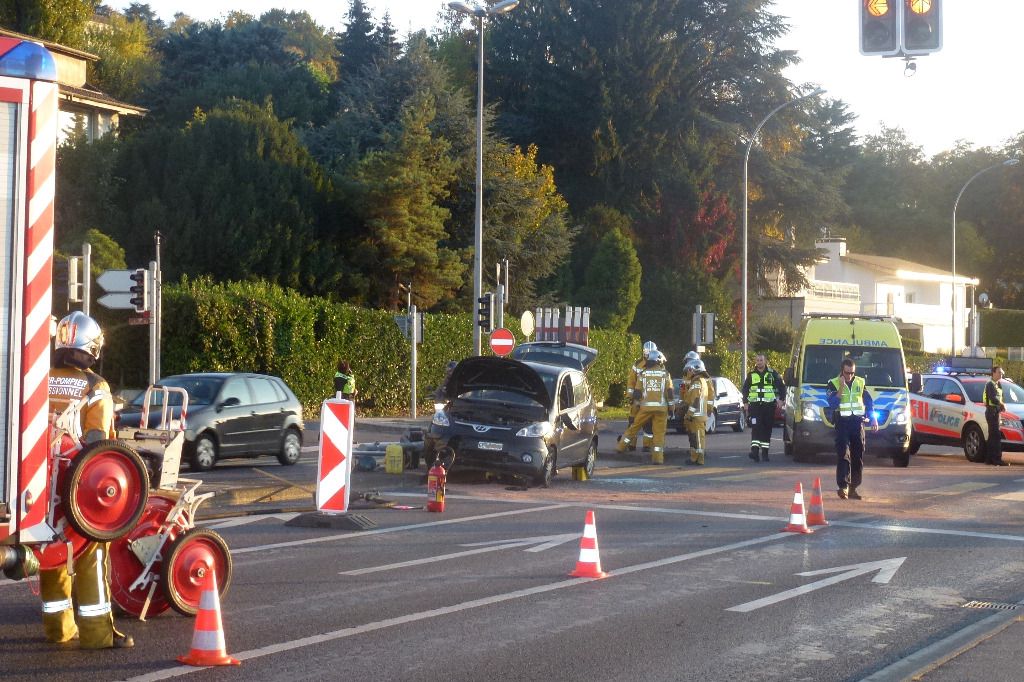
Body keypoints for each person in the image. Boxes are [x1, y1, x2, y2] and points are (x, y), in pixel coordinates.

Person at [42, 312, 134, 649]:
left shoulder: (41, 378)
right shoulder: (96, 387)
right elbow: (98, 443)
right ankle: (98, 635)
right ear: (92, 347)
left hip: (41, 481)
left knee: (48, 551)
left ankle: (58, 628)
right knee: (91, 554)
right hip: (80, 486)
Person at [826, 357, 878, 500]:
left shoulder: (860, 382)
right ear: (842, 371)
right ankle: (843, 486)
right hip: (842, 423)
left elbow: (868, 401)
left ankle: (854, 487)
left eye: (852, 373)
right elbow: (832, 404)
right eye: (847, 373)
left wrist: (873, 418)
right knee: (843, 454)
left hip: (857, 424)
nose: (849, 376)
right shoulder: (833, 383)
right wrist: (841, 387)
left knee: (858, 456)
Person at [617, 351, 673, 463]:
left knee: (634, 428)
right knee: (659, 434)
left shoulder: (643, 374)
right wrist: (671, 409)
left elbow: (637, 393)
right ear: (659, 361)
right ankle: (658, 458)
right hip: (661, 409)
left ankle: (621, 447)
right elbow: (669, 393)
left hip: (645, 408)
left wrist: (635, 408)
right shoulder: (665, 374)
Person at [741, 353, 785, 463]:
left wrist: (781, 399)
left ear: (765, 361)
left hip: (768, 406)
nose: (759, 362)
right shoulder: (751, 375)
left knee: (766, 429)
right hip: (755, 407)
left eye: (761, 360)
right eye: (757, 360)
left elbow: (781, 386)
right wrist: (745, 402)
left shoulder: (772, 374)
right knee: (756, 428)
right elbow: (745, 389)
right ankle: (754, 452)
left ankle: (765, 453)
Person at [682, 358, 714, 465]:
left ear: (694, 369)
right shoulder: (700, 380)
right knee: (696, 438)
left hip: (696, 415)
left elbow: (695, 399)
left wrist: (689, 414)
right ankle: (694, 457)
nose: (688, 372)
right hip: (698, 415)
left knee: (698, 439)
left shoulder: (697, 382)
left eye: (689, 370)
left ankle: (699, 459)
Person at [984, 366, 1010, 466]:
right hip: (992, 412)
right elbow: (992, 398)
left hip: (995, 411)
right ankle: (997, 459)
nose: (1001, 374)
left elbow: (1000, 397)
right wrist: (1001, 404)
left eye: (1002, 372)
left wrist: (1001, 405)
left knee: (992, 436)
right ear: (993, 373)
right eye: (999, 372)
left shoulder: (997, 384)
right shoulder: (990, 384)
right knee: (996, 436)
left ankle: (989, 459)